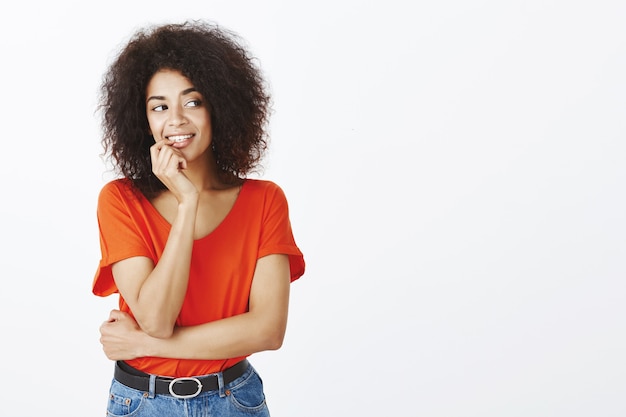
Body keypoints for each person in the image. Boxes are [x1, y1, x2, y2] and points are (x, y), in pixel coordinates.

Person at [92, 20, 305, 416]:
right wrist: (187, 203)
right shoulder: (121, 200)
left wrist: (146, 346)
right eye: (159, 107)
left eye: (193, 102)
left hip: (234, 401)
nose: (176, 120)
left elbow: (267, 330)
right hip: (142, 403)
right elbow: (156, 318)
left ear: (220, 107)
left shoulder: (265, 201)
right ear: (143, 120)